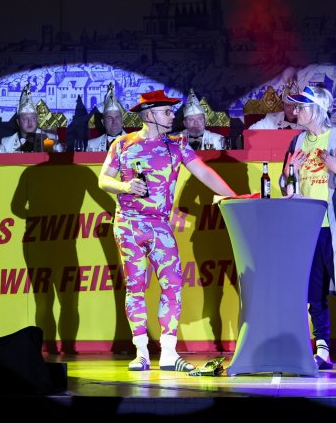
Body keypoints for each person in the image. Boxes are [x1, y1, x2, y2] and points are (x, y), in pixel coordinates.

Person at [97, 89, 237, 372]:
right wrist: (125, 186)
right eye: (167, 112)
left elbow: (204, 172)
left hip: (160, 225)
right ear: (150, 115)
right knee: (135, 287)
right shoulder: (123, 144)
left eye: (172, 111)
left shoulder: (177, 145)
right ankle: (141, 353)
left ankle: (169, 352)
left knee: (172, 284)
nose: (173, 116)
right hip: (129, 224)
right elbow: (103, 180)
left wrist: (235, 198)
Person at [280, 85, 336, 373]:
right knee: (314, 291)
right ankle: (322, 349)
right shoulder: (297, 141)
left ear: (317, 110)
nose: (295, 112)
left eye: (301, 107)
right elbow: (284, 186)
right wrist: (290, 172)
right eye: (295, 107)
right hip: (307, 228)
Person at [0, 84, 58, 153]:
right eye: (25, 119)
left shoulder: (48, 139)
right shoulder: (7, 144)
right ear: (18, 122)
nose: (30, 122)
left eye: (33, 118)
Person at [87, 82, 126, 152]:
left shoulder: (136, 143)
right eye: (109, 118)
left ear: (122, 120)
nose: (114, 122)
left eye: (117, 117)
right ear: (103, 122)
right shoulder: (91, 145)